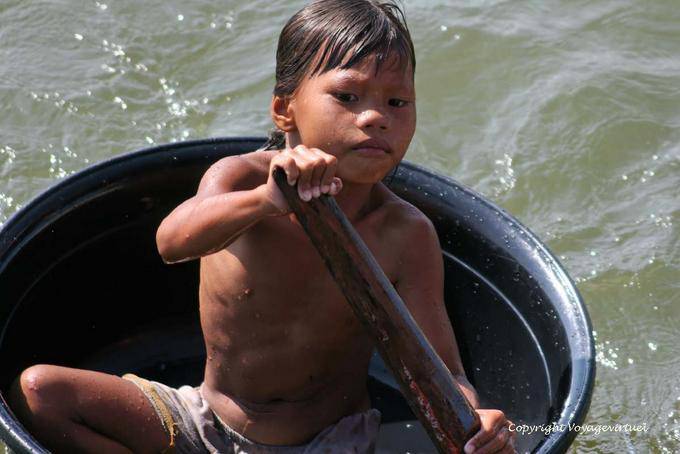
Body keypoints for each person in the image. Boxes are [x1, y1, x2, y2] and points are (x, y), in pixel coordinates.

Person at [8, 1, 515, 452]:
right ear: (284, 108)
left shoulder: (405, 232)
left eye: (396, 103)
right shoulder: (241, 179)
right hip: (203, 422)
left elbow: (442, 371)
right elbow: (172, 242)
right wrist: (266, 201)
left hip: (331, 440)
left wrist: (477, 420)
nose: (375, 118)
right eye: (348, 97)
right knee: (38, 394)